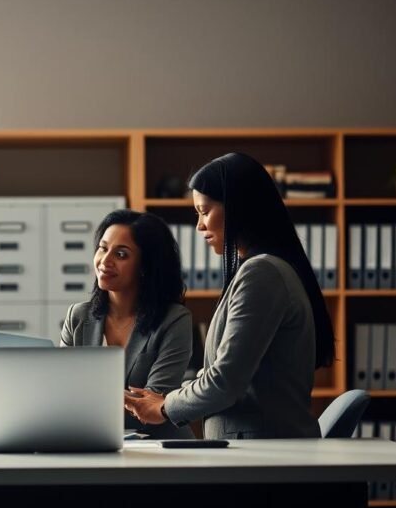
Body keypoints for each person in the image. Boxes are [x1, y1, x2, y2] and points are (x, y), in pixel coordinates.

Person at [124, 152, 335, 439]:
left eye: (205, 211)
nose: (199, 226)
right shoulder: (264, 269)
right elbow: (226, 373)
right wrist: (172, 395)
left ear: (238, 209)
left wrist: (164, 407)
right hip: (255, 454)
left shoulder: (262, 274)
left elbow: (225, 382)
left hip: (262, 460)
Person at [60, 209, 194, 439]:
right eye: (103, 248)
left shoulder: (174, 320)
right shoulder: (78, 316)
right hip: (94, 442)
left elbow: (151, 406)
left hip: (160, 448)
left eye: (121, 255)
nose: (105, 261)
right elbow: (62, 394)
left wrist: (84, 396)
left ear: (145, 266)